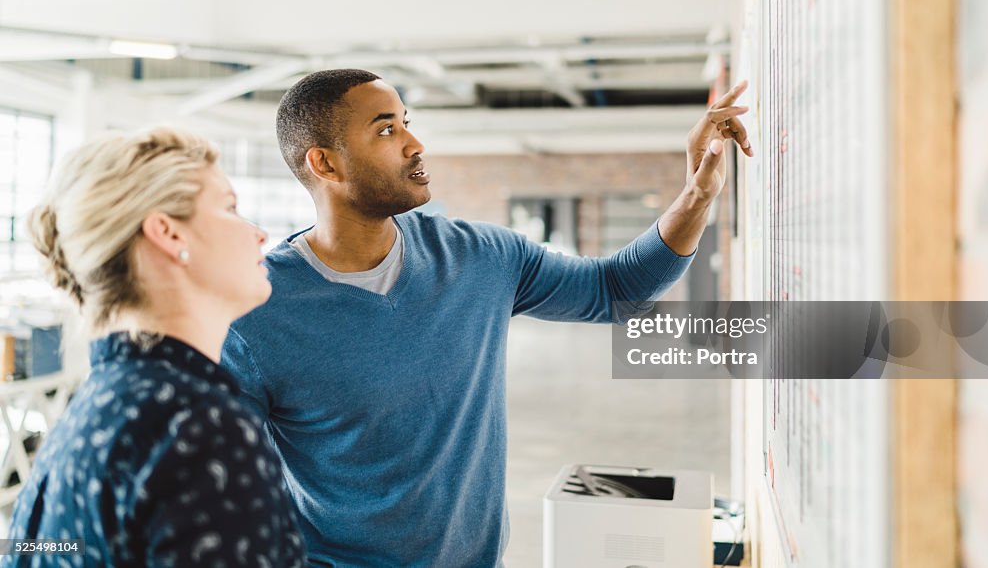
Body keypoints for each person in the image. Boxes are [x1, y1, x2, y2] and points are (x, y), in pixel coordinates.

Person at [221, 69, 752, 567]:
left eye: (407, 123)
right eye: (386, 130)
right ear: (325, 164)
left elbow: (615, 291)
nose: (414, 144)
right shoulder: (253, 312)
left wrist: (698, 195)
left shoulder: (480, 257)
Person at [5, 128, 306, 567]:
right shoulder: (199, 428)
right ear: (168, 233)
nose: (258, 234)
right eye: (229, 208)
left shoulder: (102, 408)